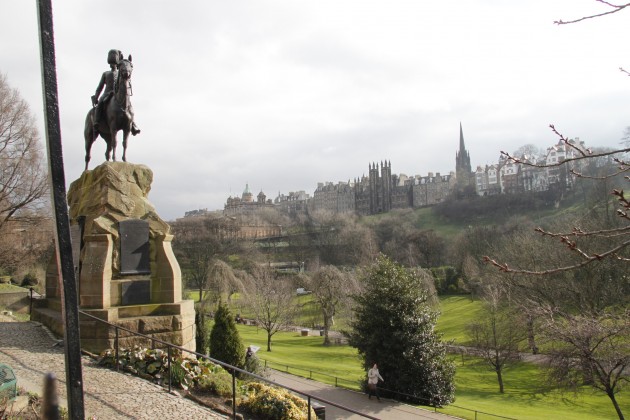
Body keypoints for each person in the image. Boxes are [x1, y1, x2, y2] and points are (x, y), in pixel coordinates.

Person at [91, 49, 140, 135]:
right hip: (107, 93)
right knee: (101, 104)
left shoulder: (119, 72)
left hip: (117, 93)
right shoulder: (105, 74)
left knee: (129, 105)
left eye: (114, 64)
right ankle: (96, 122)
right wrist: (96, 96)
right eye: (111, 64)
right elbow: (100, 87)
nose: (112, 65)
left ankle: (133, 124)